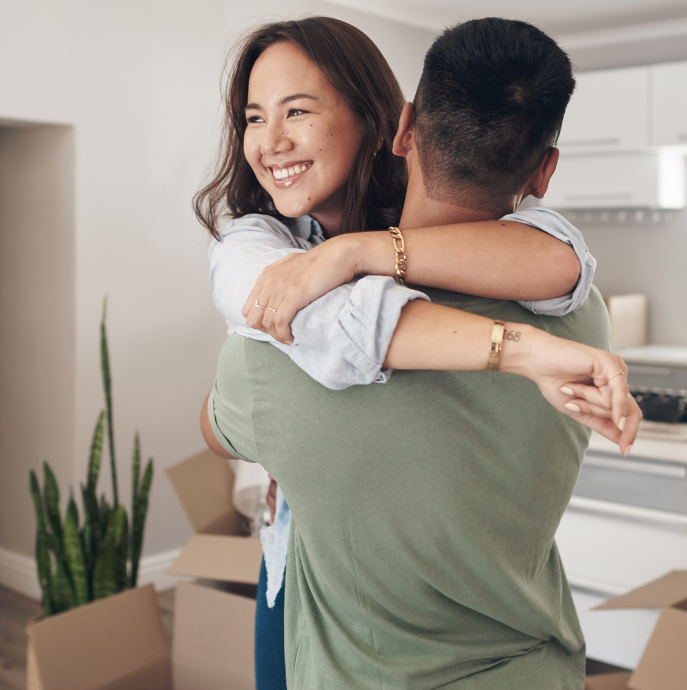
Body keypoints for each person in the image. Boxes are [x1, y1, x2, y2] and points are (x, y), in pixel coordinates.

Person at [191, 16, 636, 690]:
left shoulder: (276, 359)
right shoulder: (255, 252)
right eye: (254, 117)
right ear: (544, 170)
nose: (271, 140)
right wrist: (518, 350)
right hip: (339, 570)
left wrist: (358, 251)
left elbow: (565, 258)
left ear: (394, 127)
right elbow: (566, 272)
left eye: (298, 111)